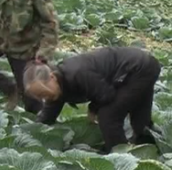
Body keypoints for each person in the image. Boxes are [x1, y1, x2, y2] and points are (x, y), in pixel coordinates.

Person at [24, 46, 161, 154]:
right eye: (40, 96)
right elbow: (48, 114)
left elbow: (106, 95)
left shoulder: (77, 73)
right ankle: (148, 146)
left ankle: (119, 156)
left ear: (52, 77)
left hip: (138, 69)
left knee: (108, 116)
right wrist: (30, 135)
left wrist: (93, 109)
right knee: (139, 116)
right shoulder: (59, 84)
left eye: (44, 93)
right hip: (140, 67)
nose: (44, 98)